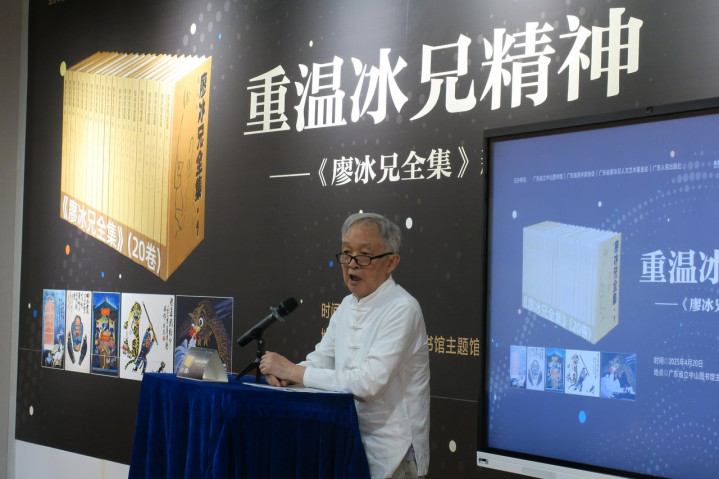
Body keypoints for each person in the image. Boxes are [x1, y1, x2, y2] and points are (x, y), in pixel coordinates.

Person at [259, 212, 430, 479]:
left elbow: (367, 384)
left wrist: (293, 371)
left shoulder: (402, 308)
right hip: (348, 442)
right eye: (347, 254)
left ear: (391, 262)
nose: (352, 264)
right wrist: (285, 376)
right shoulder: (347, 304)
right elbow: (321, 359)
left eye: (364, 256)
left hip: (393, 451)